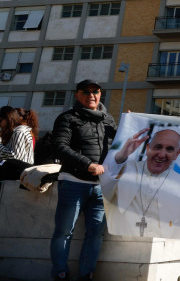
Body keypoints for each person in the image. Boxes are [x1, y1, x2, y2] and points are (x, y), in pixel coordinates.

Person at [50, 80, 116, 281]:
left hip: (101, 187)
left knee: (96, 233)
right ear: (77, 95)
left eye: (95, 91)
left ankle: (86, 274)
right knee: (64, 231)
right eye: (85, 92)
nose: (91, 95)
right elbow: (59, 146)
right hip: (73, 182)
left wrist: (131, 124)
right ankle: (60, 273)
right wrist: (88, 164)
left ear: (100, 94)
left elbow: (121, 144)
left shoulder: (108, 120)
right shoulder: (67, 118)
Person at [101, 126, 180, 239]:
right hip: (120, 242)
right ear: (148, 148)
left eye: (169, 149)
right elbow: (104, 191)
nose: (161, 154)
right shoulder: (124, 168)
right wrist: (121, 157)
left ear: (177, 153)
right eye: (158, 147)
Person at [0, 106, 38, 180]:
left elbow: (16, 157)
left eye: (0, 120)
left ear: (8, 119)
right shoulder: (17, 131)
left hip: (20, 174)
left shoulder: (19, 131)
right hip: (19, 173)